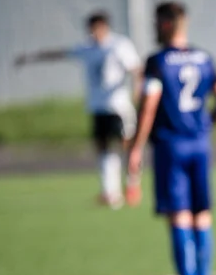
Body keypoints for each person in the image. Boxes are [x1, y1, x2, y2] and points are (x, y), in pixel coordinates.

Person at [126, 1, 216, 275]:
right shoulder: (205, 58)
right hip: (200, 144)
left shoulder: (158, 61)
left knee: (179, 216)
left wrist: (136, 147)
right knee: (202, 215)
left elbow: (149, 105)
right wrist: (205, 125)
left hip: (170, 145)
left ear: (164, 24)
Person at [14, 11, 141, 208]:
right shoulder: (87, 48)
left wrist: (137, 91)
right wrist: (30, 57)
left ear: (104, 27)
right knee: (103, 147)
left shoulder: (119, 45)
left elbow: (136, 69)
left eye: (96, 28)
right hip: (98, 107)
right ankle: (110, 192)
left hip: (119, 106)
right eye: (90, 29)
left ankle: (132, 184)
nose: (93, 33)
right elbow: (60, 54)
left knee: (126, 146)